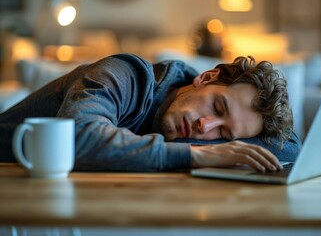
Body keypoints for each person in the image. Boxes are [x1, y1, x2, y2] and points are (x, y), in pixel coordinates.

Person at [0, 53, 301, 172]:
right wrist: (197, 155)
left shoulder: (199, 122)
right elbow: (77, 138)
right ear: (206, 78)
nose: (205, 126)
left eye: (223, 134)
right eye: (217, 107)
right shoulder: (121, 75)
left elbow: (291, 148)